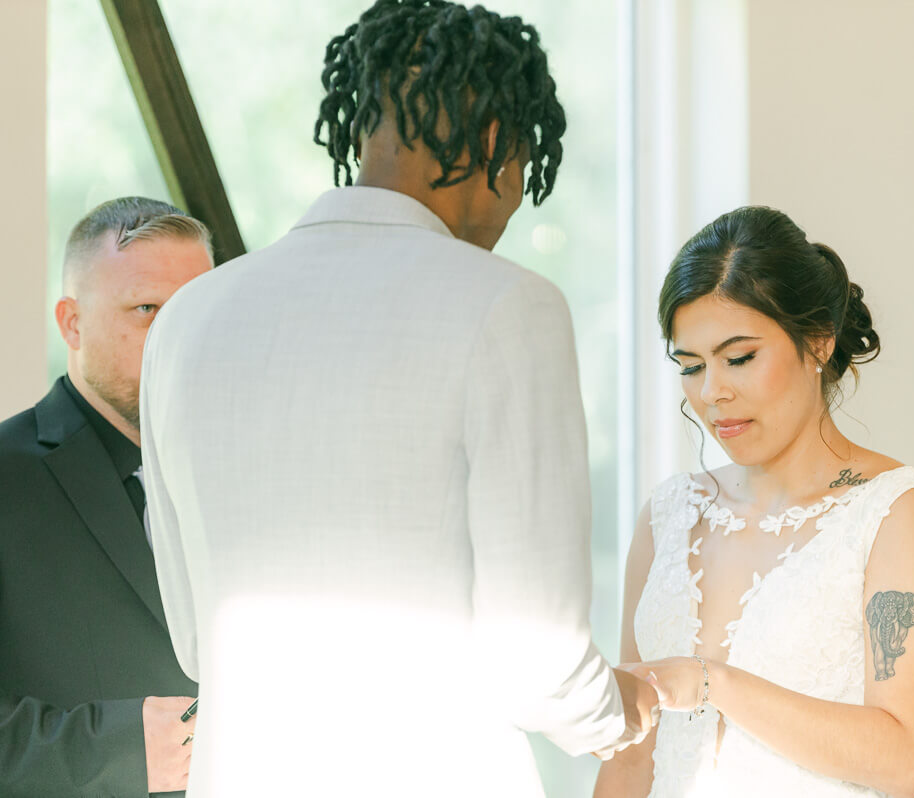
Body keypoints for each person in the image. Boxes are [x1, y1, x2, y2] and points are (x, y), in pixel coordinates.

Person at [137, 2, 655, 796]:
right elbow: (538, 660)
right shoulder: (510, 306)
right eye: (523, 170)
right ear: (497, 145)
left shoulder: (186, 319)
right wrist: (623, 711)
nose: (515, 206)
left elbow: (197, 642)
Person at [595, 206, 914, 798]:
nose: (712, 392)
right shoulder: (669, 515)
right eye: (691, 366)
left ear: (816, 340)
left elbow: (904, 759)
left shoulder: (895, 512)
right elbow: (630, 756)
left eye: (738, 358)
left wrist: (710, 682)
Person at [0, 197, 212, 797]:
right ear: (71, 322)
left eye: (193, 309)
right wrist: (121, 749)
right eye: (147, 310)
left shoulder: (248, 473)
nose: (178, 336)